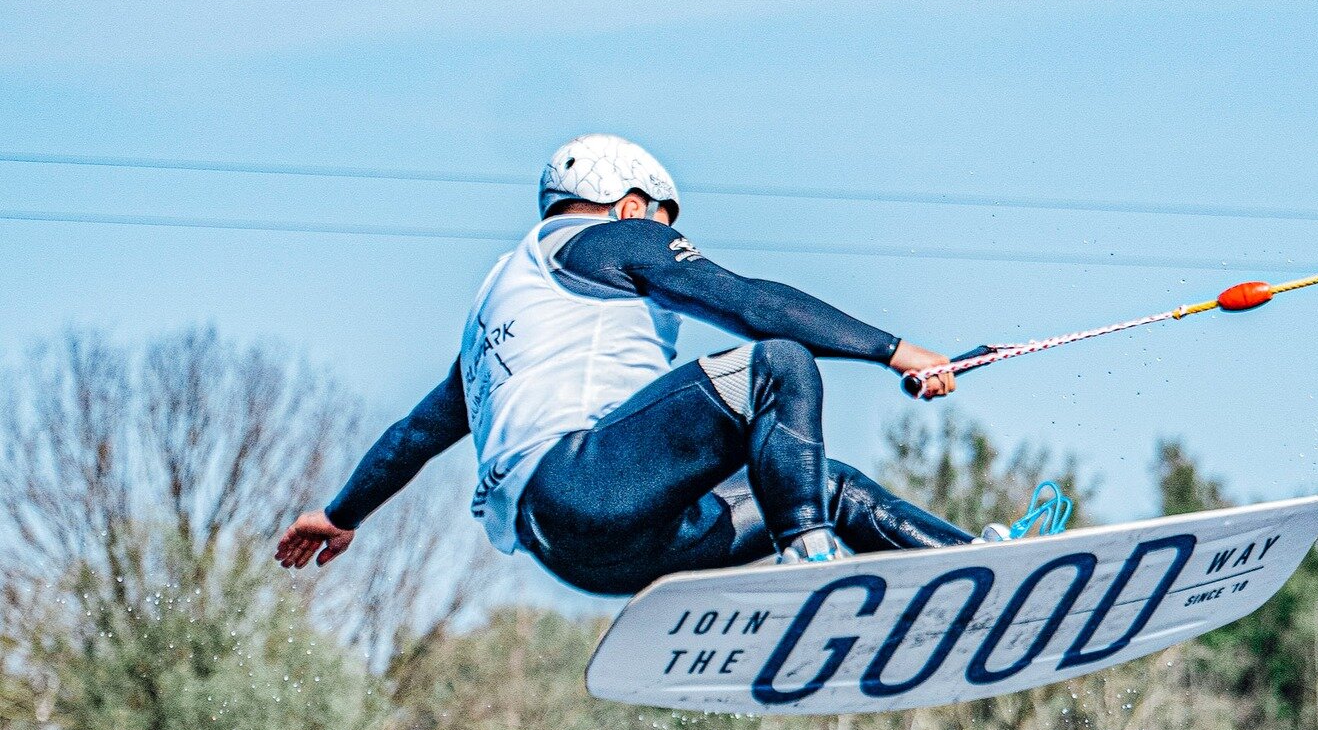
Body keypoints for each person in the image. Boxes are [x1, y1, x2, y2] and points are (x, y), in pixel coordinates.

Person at [276, 134, 987, 597]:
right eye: (664, 225)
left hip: (579, 549)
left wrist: (341, 515)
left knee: (820, 488)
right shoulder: (602, 238)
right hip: (585, 483)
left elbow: (415, 434)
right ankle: (809, 560)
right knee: (777, 366)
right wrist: (895, 350)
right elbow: (745, 303)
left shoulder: (502, 315)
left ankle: (969, 573)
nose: (668, 243)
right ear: (632, 206)